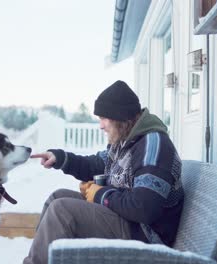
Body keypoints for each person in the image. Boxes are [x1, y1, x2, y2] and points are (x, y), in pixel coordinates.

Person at [23, 80, 184, 264]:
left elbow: (144, 209)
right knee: (56, 198)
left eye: (103, 118)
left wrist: (100, 194)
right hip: (128, 220)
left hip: (146, 234)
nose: (100, 125)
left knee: (62, 211)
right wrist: (60, 158)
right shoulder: (125, 141)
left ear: (121, 118)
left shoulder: (153, 148)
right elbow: (95, 164)